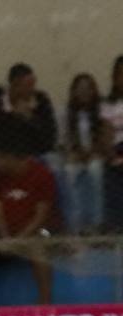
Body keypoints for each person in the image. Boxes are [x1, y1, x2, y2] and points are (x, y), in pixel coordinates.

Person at [0, 131, 61, 304]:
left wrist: (18, 240)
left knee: (39, 250)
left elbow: (41, 216)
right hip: (3, 236)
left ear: (9, 157)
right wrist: (6, 239)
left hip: (33, 234)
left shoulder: (42, 174)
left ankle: (45, 303)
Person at [62, 73, 111, 234]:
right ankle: (76, 222)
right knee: (70, 171)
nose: (84, 92)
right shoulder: (68, 114)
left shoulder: (101, 112)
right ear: (74, 92)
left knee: (95, 170)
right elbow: (66, 140)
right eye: (80, 88)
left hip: (96, 154)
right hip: (77, 155)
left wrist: (93, 153)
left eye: (88, 88)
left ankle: (96, 221)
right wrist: (74, 154)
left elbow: (104, 139)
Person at [4, 63, 58, 158]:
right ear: (14, 85)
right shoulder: (0, 103)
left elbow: (50, 137)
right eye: (28, 85)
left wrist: (30, 118)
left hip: (40, 153)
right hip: (9, 157)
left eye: (33, 84)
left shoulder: (41, 100)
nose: (32, 89)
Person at [103, 56, 123, 232]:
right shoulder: (109, 105)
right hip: (118, 149)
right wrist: (113, 156)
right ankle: (116, 226)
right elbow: (107, 133)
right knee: (112, 173)